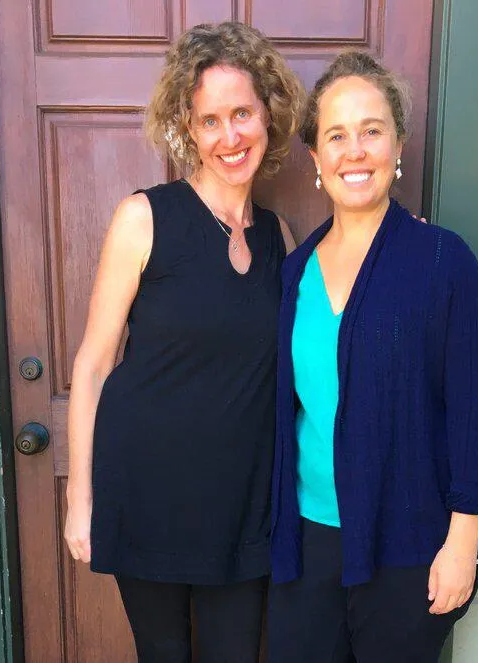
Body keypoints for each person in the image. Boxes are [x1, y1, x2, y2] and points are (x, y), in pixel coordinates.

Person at [63, 22, 302, 663]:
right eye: (210, 120)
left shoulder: (281, 237)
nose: (230, 137)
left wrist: (404, 241)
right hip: (147, 495)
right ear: (188, 129)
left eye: (243, 114)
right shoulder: (144, 217)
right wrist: (80, 499)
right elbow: (91, 366)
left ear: (268, 117)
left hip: (244, 506)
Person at [268, 51, 478, 662]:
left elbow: (475, 414)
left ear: (398, 146)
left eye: (372, 131)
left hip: (409, 543)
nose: (355, 150)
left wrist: (463, 541)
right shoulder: (295, 273)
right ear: (316, 158)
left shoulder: (442, 263)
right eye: (336, 136)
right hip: (309, 540)